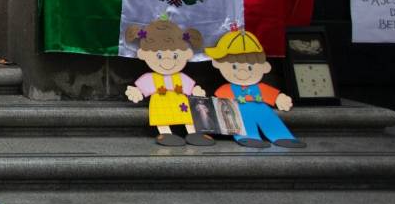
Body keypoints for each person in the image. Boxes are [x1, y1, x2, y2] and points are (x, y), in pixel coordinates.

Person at [207, 27, 304, 149]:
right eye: (235, 66)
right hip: (239, 111)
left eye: (250, 67)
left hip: (261, 108)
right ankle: (248, 137)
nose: (242, 71)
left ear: (265, 67)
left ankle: (282, 136)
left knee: (270, 118)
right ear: (218, 63)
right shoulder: (226, 89)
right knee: (243, 118)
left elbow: (272, 95)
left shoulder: (261, 88)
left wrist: (280, 99)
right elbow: (218, 100)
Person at [123, 17, 213, 147]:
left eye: (174, 56)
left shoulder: (181, 77)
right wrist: (137, 91)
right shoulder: (151, 78)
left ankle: (193, 133)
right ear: (145, 54)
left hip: (180, 103)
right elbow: (142, 88)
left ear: (185, 54)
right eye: (159, 55)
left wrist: (195, 90)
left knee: (187, 116)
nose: (167, 60)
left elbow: (191, 88)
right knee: (162, 118)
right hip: (161, 103)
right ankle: (166, 134)